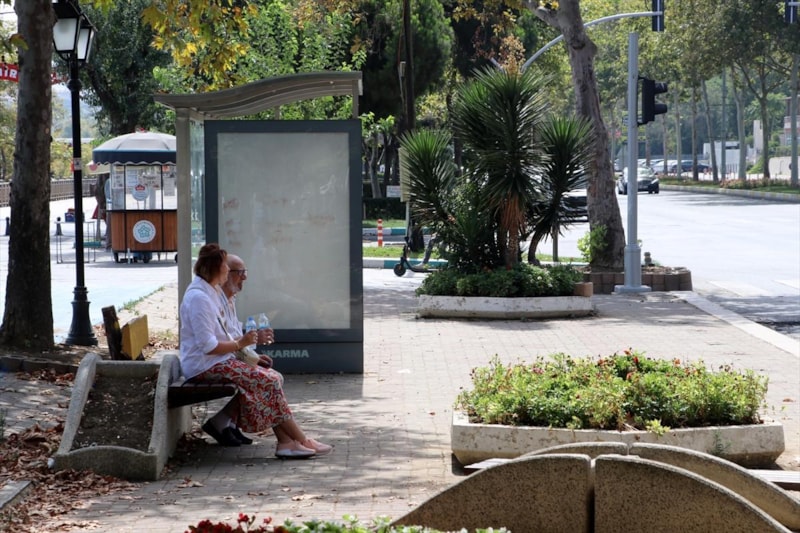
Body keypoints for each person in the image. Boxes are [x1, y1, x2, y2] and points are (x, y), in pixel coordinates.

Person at [179, 243, 332, 458]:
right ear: (216, 268)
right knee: (267, 381)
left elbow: (225, 336)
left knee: (269, 379)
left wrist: (249, 353)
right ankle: (297, 439)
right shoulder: (200, 298)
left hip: (218, 361)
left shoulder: (209, 292)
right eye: (228, 268)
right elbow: (209, 346)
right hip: (204, 366)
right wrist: (242, 344)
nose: (235, 274)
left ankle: (287, 442)